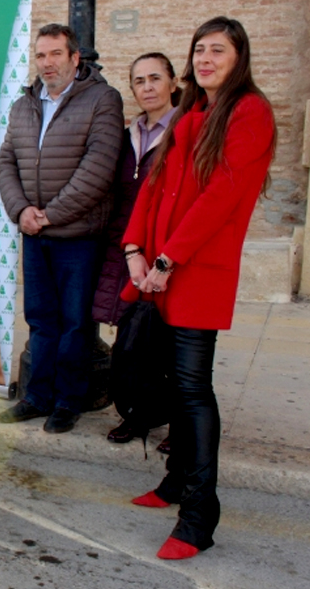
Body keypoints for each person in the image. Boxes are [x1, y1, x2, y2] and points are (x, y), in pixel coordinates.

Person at [122, 17, 275, 560]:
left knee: (191, 387)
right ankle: (174, 481)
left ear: (239, 56)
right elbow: (157, 181)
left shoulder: (249, 111)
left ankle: (199, 511)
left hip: (197, 269)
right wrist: (134, 249)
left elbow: (223, 196)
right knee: (170, 380)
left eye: (218, 50)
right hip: (161, 269)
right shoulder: (193, 109)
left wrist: (167, 257)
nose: (206, 58)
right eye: (199, 49)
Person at [0, 23, 124, 433]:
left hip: (78, 238)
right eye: (40, 55)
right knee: (41, 319)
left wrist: (49, 214)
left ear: (74, 58)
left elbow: (98, 168)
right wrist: (21, 212)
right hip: (34, 235)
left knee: (76, 323)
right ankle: (37, 396)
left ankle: (69, 400)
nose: (47, 63)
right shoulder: (24, 105)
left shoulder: (102, 100)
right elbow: (5, 162)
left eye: (55, 54)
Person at [94, 52, 179, 449]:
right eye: (139, 81)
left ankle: (178, 422)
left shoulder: (184, 131)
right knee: (130, 337)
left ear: (173, 83)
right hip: (127, 245)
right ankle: (134, 414)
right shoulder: (130, 135)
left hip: (168, 250)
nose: (147, 87)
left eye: (155, 78)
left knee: (172, 341)